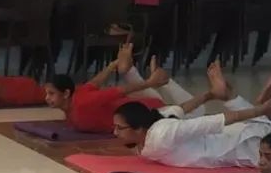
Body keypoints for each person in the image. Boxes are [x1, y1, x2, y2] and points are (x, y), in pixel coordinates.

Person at [111, 65, 271, 168]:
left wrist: (260, 109)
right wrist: (209, 95)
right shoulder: (156, 121)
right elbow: (181, 108)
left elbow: (213, 121)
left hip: (240, 146)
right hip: (234, 140)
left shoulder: (162, 135)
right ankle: (264, 109)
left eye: (120, 128)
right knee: (267, 126)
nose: (114, 132)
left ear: (139, 128)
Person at [42, 43, 183, 132]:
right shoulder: (77, 96)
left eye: (51, 93)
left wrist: (150, 83)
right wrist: (112, 65)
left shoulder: (83, 103)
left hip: (153, 111)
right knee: (184, 107)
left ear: (66, 93)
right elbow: (95, 83)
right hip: (146, 105)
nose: (47, 98)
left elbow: (119, 91)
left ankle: (131, 71)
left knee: (191, 111)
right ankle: (128, 70)